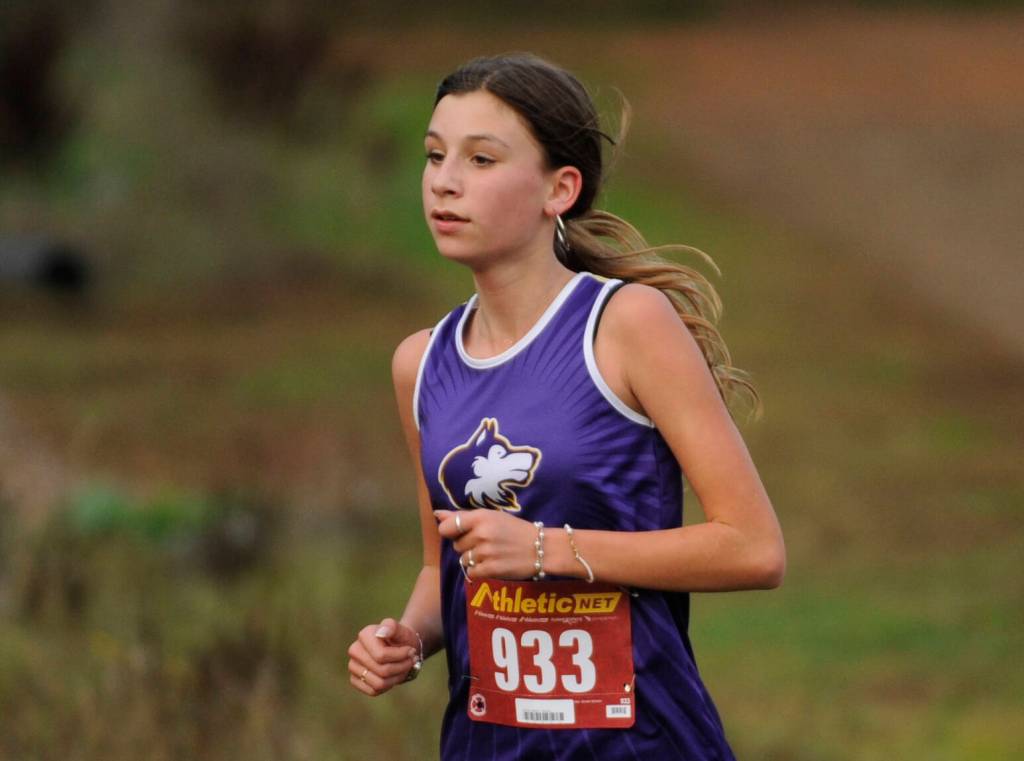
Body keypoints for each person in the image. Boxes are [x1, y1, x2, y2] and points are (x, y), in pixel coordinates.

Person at [347, 53, 785, 760]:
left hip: (641, 744)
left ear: (560, 188)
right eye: (434, 156)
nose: (445, 181)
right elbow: (442, 569)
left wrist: (550, 550)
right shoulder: (420, 364)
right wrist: (407, 638)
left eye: (482, 159)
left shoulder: (627, 326)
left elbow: (754, 547)